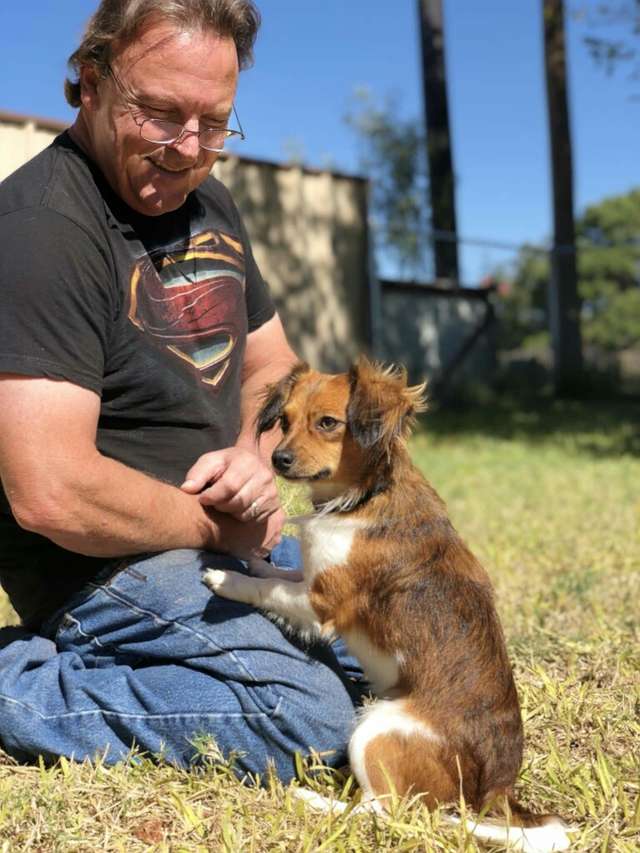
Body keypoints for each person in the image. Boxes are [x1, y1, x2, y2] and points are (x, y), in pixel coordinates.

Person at [0, 0, 361, 780]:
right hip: (100, 565)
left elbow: (274, 369)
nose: (189, 150)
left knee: (405, 637)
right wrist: (216, 529)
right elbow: (49, 491)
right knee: (310, 719)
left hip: (220, 535)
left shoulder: (211, 203)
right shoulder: (39, 230)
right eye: (160, 114)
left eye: (215, 122)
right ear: (91, 84)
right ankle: (18, 678)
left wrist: (254, 454)